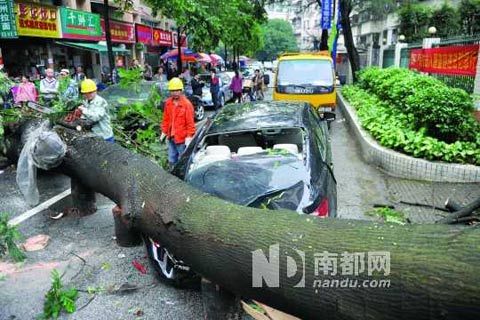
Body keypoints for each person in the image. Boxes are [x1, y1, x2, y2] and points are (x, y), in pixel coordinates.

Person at [160, 77, 196, 169]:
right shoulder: (168, 103)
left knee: (182, 160)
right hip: (171, 137)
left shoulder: (186, 105)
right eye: (173, 91)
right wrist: (164, 132)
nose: (175, 93)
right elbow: (166, 119)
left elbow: (190, 123)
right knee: (171, 159)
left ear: (181, 90)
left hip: (182, 139)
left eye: (177, 90)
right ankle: (173, 175)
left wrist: (189, 136)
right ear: (170, 91)